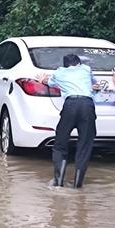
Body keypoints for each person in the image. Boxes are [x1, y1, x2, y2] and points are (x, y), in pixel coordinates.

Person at [37, 54, 96, 188]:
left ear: (65, 65)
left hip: (70, 105)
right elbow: (93, 83)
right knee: (84, 145)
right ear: (79, 63)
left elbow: (49, 82)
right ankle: (77, 184)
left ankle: (58, 182)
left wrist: (42, 80)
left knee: (60, 144)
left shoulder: (59, 72)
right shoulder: (86, 69)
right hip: (87, 105)